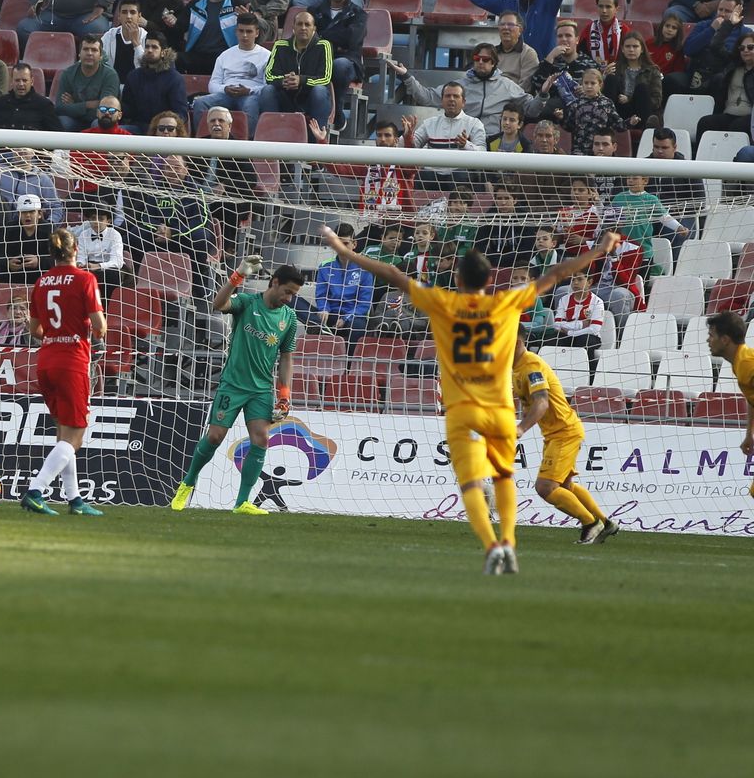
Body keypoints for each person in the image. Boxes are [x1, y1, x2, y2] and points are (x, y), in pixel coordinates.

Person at [320, 224, 620, 575]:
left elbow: (391, 272)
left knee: (471, 480)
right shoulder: (504, 302)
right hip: (498, 404)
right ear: (489, 280)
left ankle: (492, 540)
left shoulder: (444, 301)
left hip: (462, 404)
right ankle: (508, 540)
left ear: (458, 281)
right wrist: (599, 249)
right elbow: (556, 273)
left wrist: (346, 252)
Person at [170, 256, 301, 514]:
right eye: (287, 292)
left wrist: (284, 395)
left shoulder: (290, 319)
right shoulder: (248, 303)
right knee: (215, 437)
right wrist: (237, 276)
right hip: (232, 385)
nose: (289, 298)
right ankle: (187, 483)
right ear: (274, 283)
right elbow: (218, 303)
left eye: (294, 294)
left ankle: (242, 502)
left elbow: (286, 358)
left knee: (261, 439)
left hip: (261, 390)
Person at [17, 226, 109, 517]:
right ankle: (35, 490)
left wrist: (56, 334)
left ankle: (75, 499)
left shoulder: (41, 282)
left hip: (46, 361)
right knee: (76, 436)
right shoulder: (85, 279)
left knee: (63, 432)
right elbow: (101, 328)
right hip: (72, 362)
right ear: (75, 250)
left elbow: (35, 330)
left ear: (51, 253)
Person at [513, 331, 620, 542]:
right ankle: (605, 523)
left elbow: (542, 402)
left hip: (564, 432)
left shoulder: (531, 365)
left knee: (545, 487)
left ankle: (590, 523)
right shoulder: (515, 367)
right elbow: (531, 403)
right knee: (565, 487)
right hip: (556, 432)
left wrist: (521, 429)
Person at [705, 311, 754, 497]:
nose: (708, 340)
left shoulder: (748, 364)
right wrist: (749, 433)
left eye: (711, 335)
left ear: (725, 339)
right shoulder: (740, 363)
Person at [260, 9, 333, 128]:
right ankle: (270, 135)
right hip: (286, 97)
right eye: (299, 24)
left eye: (307, 24)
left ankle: (319, 137)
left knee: (319, 90)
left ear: (314, 28)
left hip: (311, 99)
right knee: (267, 90)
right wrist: (284, 81)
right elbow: (269, 76)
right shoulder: (280, 45)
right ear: (293, 27)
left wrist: (301, 80)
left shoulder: (324, 46)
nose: (303, 27)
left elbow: (325, 78)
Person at [120, 31, 186, 131]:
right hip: (137, 128)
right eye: (147, 47)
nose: (149, 50)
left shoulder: (175, 79)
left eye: (154, 47)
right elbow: (128, 108)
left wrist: (164, 126)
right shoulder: (134, 76)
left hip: (164, 131)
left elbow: (181, 114)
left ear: (163, 52)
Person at [53, 35, 119, 131]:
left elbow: (106, 110)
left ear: (101, 56)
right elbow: (59, 108)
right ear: (79, 54)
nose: (89, 53)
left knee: (98, 123)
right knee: (63, 121)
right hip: (74, 120)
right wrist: (88, 105)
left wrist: (74, 104)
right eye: (86, 49)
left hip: (98, 120)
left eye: (94, 50)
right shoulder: (68, 73)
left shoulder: (110, 75)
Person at [182, 0, 238, 77]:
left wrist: (248, 17)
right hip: (197, 56)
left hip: (226, 57)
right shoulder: (194, 6)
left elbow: (254, 31)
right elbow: (178, 27)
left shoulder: (239, 6)